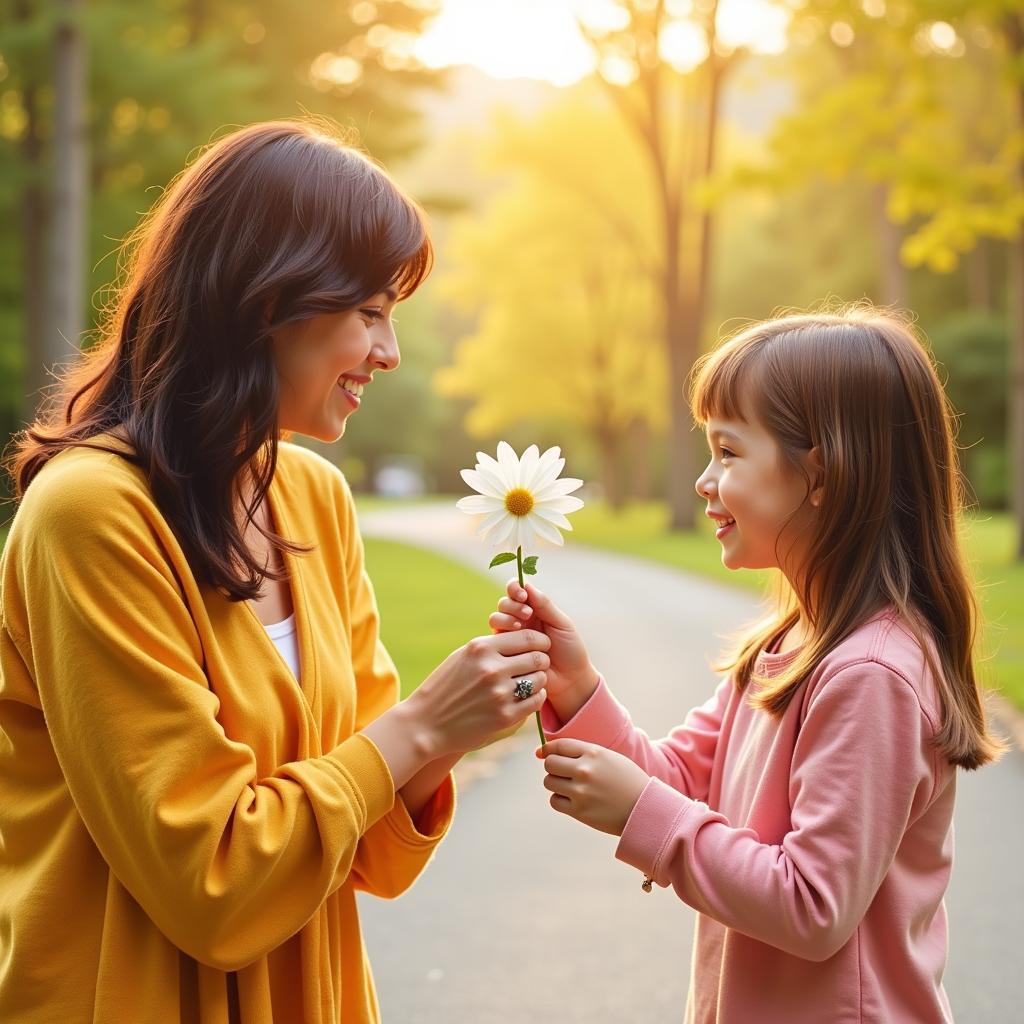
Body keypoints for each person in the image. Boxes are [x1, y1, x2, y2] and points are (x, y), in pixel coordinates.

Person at [0, 119, 550, 1023]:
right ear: (269, 300)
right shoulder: (92, 515)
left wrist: (463, 718)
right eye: (370, 312)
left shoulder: (314, 499)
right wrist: (418, 727)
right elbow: (212, 883)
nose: (390, 352)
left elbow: (366, 848)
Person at [489, 306, 1006, 1023]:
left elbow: (813, 905)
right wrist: (577, 689)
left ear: (820, 472)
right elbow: (676, 781)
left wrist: (644, 815)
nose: (704, 480)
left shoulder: (871, 676)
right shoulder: (784, 647)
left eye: (728, 454)